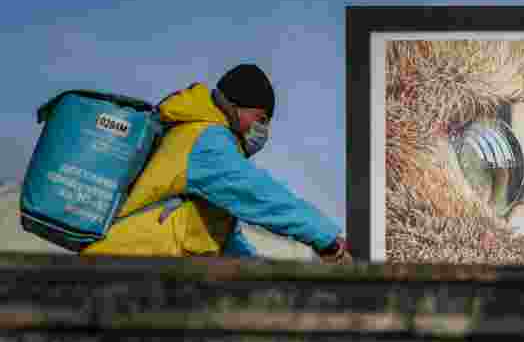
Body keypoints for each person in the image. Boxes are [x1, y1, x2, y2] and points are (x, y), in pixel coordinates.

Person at [81, 64, 352, 264]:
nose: (263, 131)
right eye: (261, 119)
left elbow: (226, 239)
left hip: (136, 267)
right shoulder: (208, 140)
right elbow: (259, 195)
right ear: (237, 107)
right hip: (126, 263)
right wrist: (324, 236)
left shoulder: (201, 140)